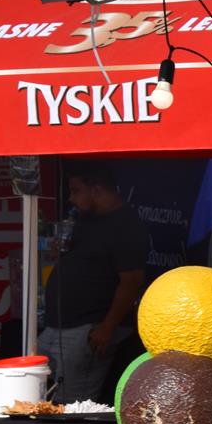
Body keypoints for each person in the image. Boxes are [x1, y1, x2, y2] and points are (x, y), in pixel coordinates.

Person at [40, 161, 148, 402]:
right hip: (56, 326)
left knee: (72, 402)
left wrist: (107, 326)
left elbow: (131, 281)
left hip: (88, 328)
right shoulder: (85, 219)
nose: (71, 198)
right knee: (40, 397)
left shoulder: (125, 225)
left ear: (97, 190)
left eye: (76, 190)